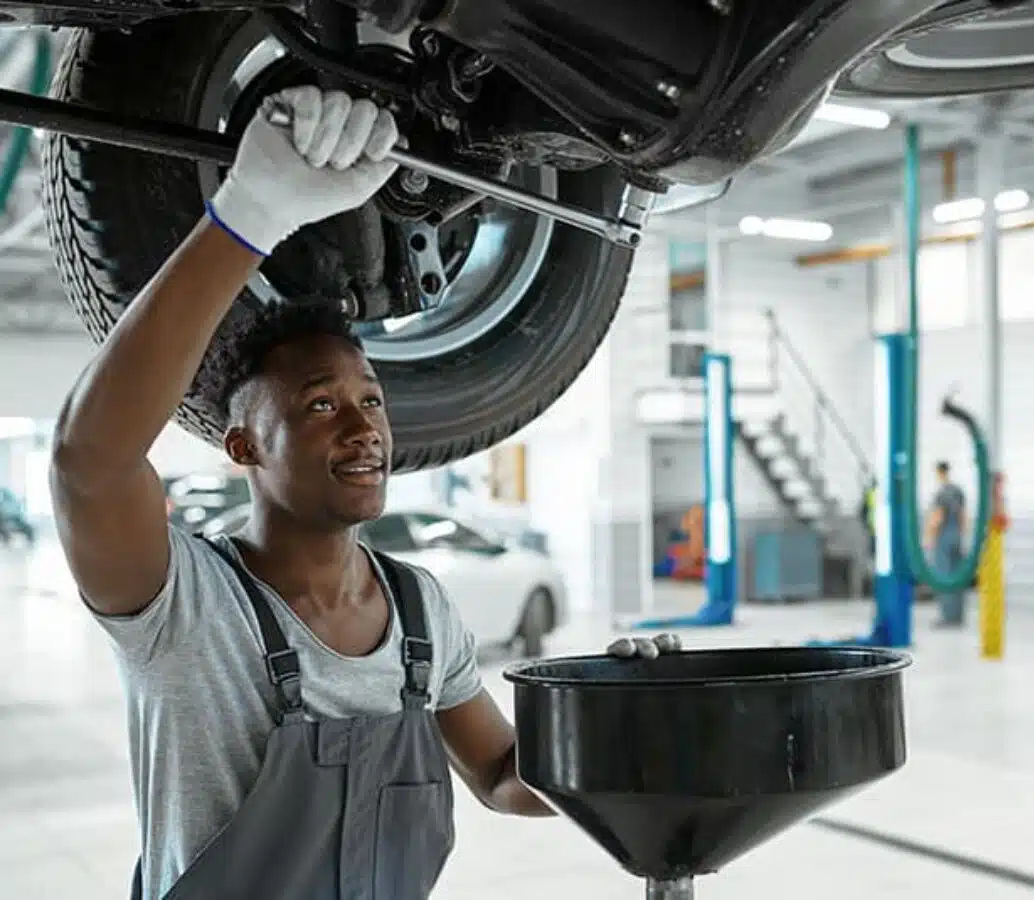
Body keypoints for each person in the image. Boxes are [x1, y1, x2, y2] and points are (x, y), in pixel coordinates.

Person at [48, 85, 679, 900]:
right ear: (242, 445)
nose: (364, 428)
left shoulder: (420, 612)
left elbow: (501, 776)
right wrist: (250, 213)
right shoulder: (182, 608)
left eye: (371, 401)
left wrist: (627, 731)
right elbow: (87, 464)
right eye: (319, 404)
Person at [923, 460, 967, 628]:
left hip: (943, 538)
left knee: (944, 577)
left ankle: (947, 617)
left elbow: (938, 517)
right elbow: (963, 516)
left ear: (939, 472)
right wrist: (961, 536)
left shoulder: (942, 492)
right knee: (957, 578)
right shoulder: (958, 491)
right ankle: (958, 616)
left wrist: (929, 537)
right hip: (956, 536)